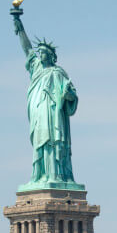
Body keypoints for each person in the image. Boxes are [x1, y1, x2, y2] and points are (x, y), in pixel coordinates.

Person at [12, 10, 79, 186]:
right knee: (41, 143)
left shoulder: (59, 73)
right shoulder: (36, 69)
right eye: (39, 52)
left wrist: (68, 96)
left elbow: (72, 96)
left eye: (43, 53)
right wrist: (20, 28)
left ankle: (56, 175)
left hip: (54, 113)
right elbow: (27, 49)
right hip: (39, 112)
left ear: (50, 55)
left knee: (54, 142)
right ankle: (40, 175)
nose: (40, 55)